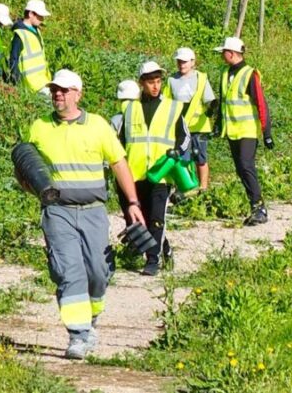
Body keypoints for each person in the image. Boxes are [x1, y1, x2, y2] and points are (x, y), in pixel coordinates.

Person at [19, 69, 145, 360]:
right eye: (54, 90)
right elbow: (25, 166)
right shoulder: (39, 127)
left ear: (78, 93)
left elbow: (119, 163)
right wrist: (29, 185)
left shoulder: (99, 126)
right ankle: (78, 335)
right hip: (57, 212)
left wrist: (133, 203)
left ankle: (92, 317)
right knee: (69, 271)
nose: (57, 95)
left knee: (98, 273)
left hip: (93, 212)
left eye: (63, 90)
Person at [118, 61, 189, 276]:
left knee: (157, 218)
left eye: (158, 82)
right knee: (142, 219)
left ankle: (152, 259)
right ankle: (162, 247)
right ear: (142, 83)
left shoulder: (172, 107)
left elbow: (185, 137)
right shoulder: (130, 109)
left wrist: (177, 152)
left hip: (162, 174)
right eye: (151, 82)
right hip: (136, 174)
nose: (155, 86)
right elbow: (121, 142)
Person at [213, 36, 273, 226]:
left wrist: (267, 133)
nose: (222, 56)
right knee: (241, 169)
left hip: (247, 130)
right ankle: (255, 205)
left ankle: (259, 207)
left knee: (246, 166)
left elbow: (261, 105)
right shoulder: (225, 73)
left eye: (224, 52)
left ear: (231, 53)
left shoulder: (249, 74)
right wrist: (218, 125)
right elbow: (224, 102)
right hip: (232, 130)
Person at [164, 47, 219, 192]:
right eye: (179, 62)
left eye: (185, 62)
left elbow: (209, 100)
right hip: (180, 127)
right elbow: (166, 103)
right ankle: (185, 188)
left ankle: (203, 188)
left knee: (200, 158)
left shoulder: (201, 78)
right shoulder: (172, 81)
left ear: (192, 62)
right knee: (183, 159)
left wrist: (212, 108)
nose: (182, 64)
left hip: (199, 127)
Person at [9, 0, 52, 95]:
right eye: (40, 16)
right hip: (31, 84)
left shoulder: (36, 30)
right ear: (31, 14)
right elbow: (14, 60)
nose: (42, 19)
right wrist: (16, 82)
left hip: (42, 81)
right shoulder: (19, 34)